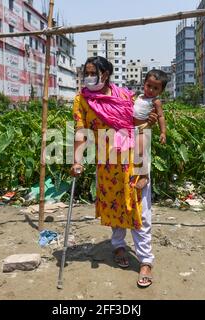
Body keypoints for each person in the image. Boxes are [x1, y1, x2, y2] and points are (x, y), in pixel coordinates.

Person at [71, 56, 158, 288]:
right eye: (85, 73)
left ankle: (146, 260)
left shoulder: (126, 96)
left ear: (105, 74)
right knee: (114, 204)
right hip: (107, 161)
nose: (88, 77)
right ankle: (118, 245)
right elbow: (81, 131)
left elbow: (141, 123)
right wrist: (77, 160)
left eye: (92, 73)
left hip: (135, 157)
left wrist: (149, 120)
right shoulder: (82, 99)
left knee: (140, 208)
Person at [133, 69, 168, 190]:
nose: (151, 90)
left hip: (144, 129)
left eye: (155, 88)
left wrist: (163, 132)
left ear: (161, 91)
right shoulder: (138, 97)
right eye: (149, 86)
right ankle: (135, 174)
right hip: (132, 129)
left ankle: (144, 176)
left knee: (141, 151)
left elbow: (161, 117)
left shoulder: (155, 101)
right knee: (132, 153)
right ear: (144, 83)